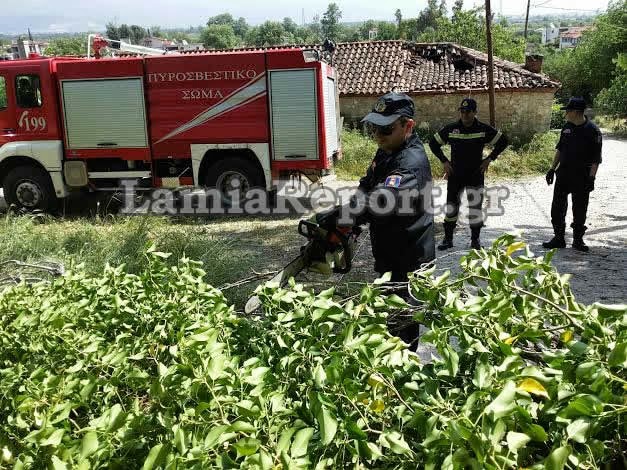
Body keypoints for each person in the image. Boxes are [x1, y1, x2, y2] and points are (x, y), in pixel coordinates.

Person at [355, 92, 435, 350]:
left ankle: (405, 383)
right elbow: (366, 186)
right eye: (374, 128)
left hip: (409, 262)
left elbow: (380, 201)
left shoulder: (410, 163)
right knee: (388, 324)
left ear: (407, 126)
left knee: (402, 332)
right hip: (391, 254)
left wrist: (340, 215)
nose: (378, 135)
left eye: (386, 129)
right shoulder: (386, 151)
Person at [428, 98, 508, 250]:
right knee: (451, 207)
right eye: (462, 111)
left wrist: (489, 159)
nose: (464, 114)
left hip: (475, 174)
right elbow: (433, 143)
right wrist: (444, 161)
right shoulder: (452, 129)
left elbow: (503, 141)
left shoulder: (483, 129)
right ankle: (448, 239)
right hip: (455, 174)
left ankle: (475, 240)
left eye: (468, 112)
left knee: (475, 207)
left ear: (475, 112)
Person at [543, 97, 602, 252]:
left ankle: (577, 240)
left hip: (582, 176)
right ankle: (558, 238)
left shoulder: (593, 131)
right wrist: (552, 168)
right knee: (557, 208)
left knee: (580, 209)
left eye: (567, 111)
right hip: (564, 174)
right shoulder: (567, 127)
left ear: (576, 112)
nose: (565, 114)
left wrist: (591, 178)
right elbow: (560, 148)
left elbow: (596, 159)